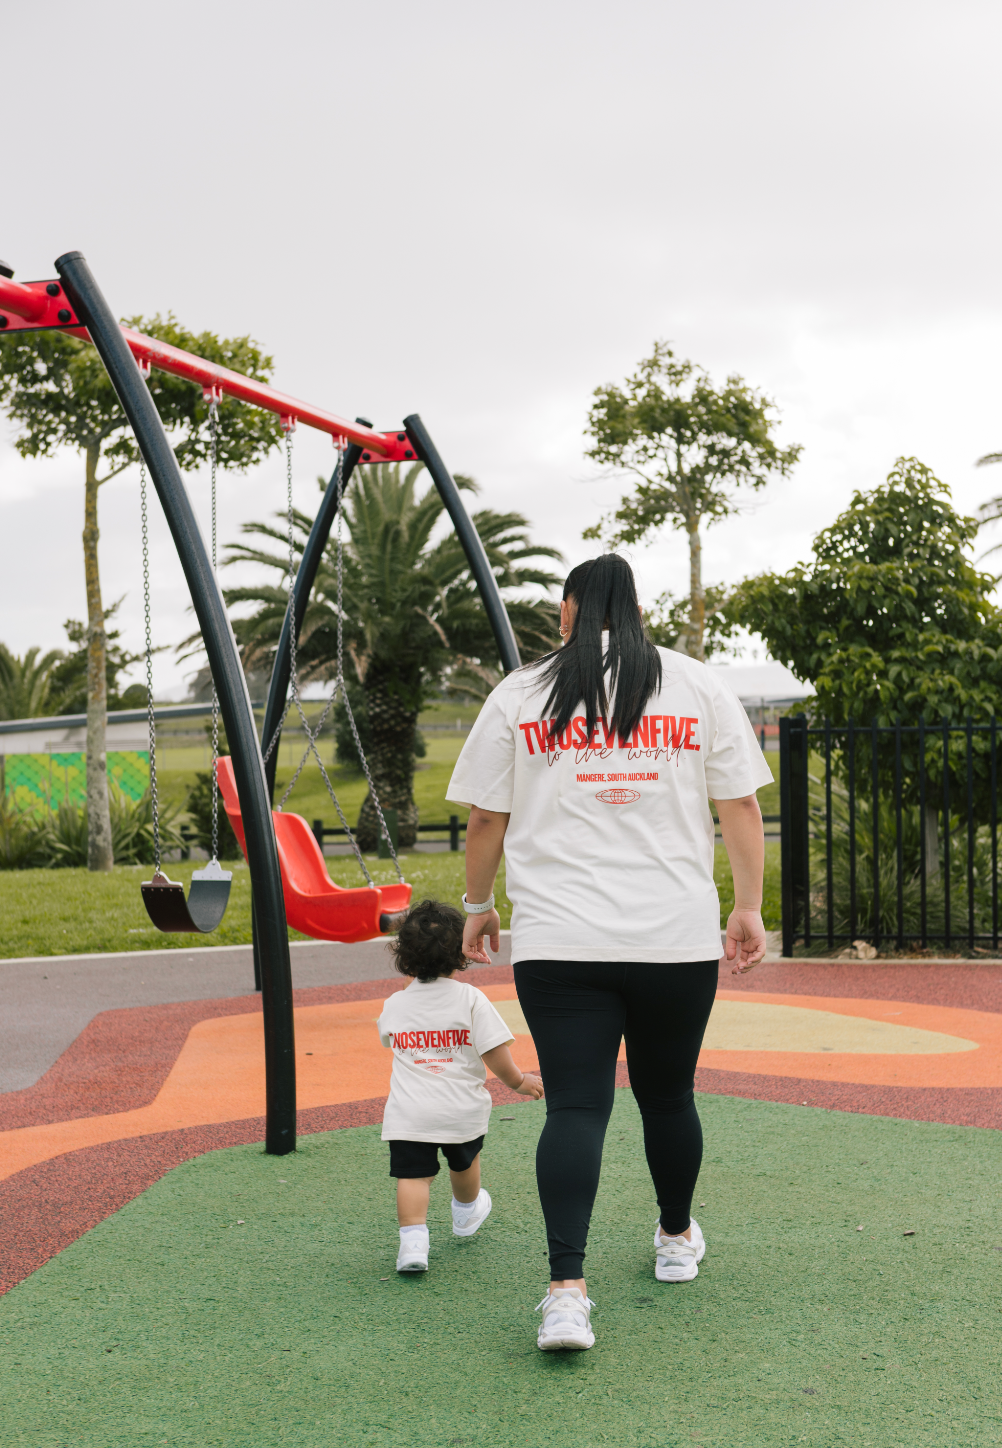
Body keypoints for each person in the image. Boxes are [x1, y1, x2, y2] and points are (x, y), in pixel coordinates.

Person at [446, 554, 772, 1351]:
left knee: (576, 1107)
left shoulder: (522, 693)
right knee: (668, 1097)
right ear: (634, 608)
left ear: (566, 610)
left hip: (560, 940)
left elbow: (486, 821)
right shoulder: (695, 685)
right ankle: (672, 1238)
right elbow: (738, 805)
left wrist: (479, 906)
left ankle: (565, 1291)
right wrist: (750, 907)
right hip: (674, 937)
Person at [377, 898, 544, 1274]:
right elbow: (494, 1051)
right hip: (459, 1109)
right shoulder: (470, 999)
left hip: (409, 1112)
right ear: (462, 953)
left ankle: (413, 1245)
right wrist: (518, 1081)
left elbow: (388, 1037)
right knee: (464, 1162)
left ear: (404, 957)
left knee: (413, 1177)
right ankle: (466, 1212)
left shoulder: (395, 1005)